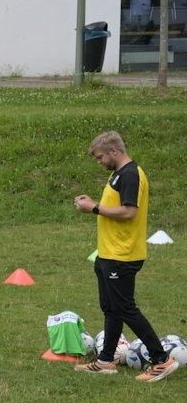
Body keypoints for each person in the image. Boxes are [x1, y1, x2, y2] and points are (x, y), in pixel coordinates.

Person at [75, 131, 175, 380]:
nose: (99, 162)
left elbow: (129, 212)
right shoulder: (119, 174)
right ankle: (105, 360)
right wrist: (94, 203)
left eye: (100, 157)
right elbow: (117, 207)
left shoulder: (130, 174)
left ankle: (162, 359)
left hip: (123, 254)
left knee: (125, 308)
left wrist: (94, 208)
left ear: (113, 152)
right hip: (108, 252)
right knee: (111, 308)